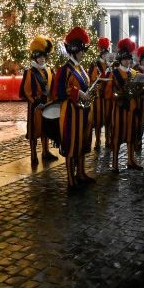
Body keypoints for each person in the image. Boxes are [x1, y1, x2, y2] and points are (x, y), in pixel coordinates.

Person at [53, 27, 97, 189]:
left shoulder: (80, 68)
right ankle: (71, 178)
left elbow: (84, 86)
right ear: (74, 51)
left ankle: (81, 173)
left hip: (83, 111)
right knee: (71, 144)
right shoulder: (65, 69)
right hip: (71, 112)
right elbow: (60, 90)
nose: (83, 54)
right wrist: (78, 93)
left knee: (83, 142)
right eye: (81, 51)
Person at [20, 36, 58, 168]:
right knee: (34, 131)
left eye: (44, 57)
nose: (42, 59)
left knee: (45, 129)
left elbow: (53, 86)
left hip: (47, 104)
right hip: (35, 106)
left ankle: (46, 152)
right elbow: (26, 91)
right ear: (35, 58)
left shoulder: (49, 70)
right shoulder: (29, 72)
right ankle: (33, 154)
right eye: (40, 57)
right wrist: (35, 102)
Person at [106, 38, 143, 171]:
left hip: (132, 108)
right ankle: (115, 163)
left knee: (132, 134)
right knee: (117, 135)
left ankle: (131, 159)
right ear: (121, 59)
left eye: (129, 59)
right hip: (120, 109)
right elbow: (110, 92)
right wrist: (120, 93)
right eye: (126, 59)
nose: (128, 61)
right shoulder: (114, 73)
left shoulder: (133, 73)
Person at [89, 37, 113, 151]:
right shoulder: (96, 65)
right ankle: (98, 141)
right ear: (101, 55)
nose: (106, 56)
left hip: (108, 96)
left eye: (107, 54)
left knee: (108, 118)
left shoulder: (110, 65)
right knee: (98, 120)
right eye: (105, 55)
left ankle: (108, 139)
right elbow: (93, 79)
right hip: (99, 96)